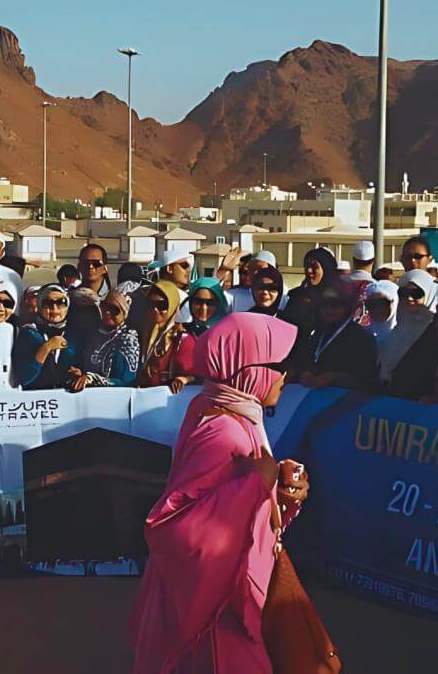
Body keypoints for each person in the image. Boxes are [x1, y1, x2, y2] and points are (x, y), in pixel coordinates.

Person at [129, 313, 306, 673]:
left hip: (230, 589)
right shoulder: (224, 429)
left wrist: (282, 493)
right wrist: (259, 482)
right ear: (247, 369)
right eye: (278, 364)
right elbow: (170, 524)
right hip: (221, 605)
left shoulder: (232, 412)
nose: (286, 375)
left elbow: (247, 508)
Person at [292, 280, 378, 392]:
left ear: (346, 306)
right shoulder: (318, 331)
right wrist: (304, 373)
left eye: (335, 304)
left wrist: (334, 378)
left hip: (342, 402)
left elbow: (365, 380)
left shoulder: (360, 338)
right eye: (324, 304)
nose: (328, 309)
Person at [378, 269, 438, 400]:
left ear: (428, 293)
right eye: (404, 293)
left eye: (416, 293)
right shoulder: (399, 325)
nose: (409, 298)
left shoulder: (435, 329)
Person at [69, 289, 140, 390]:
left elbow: (126, 381)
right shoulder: (93, 332)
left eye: (114, 309)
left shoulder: (128, 337)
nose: (107, 312)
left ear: (125, 312)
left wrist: (93, 379)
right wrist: (79, 373)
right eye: (104, 306)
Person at [13, 284, 79, 390]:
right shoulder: (29, 333)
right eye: (48, 303)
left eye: (61, 303)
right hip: (38, 401)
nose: (54, 308)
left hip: (65, 399)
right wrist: (46, 348)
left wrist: (78, 373)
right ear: (39, 306)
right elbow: (23, 378)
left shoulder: (73, 334)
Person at [138, 280, 194, 389]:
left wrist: (186, 379)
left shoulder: (184, 341)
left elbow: (198, 377)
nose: (155, 309)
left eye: (161, 305)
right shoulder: (142, 336)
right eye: (151, 304)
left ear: (172, 306)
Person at [281, 247, 337, 338]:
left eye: (314, 267)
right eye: (307, 266)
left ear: (326, 269)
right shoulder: (295, 296)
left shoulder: (336, 301)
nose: (309, 270)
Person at [157, 248, 195, 323]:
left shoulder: (147, 291)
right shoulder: (180, 296)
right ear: (169, 268)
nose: (189, 270)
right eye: (184, 265)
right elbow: (187, 322)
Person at [363, 280, 398, 347]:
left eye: (383, 303)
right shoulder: (362, 336)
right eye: (371, 304)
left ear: (395, 302)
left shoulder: (410, 336)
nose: (377, 309)